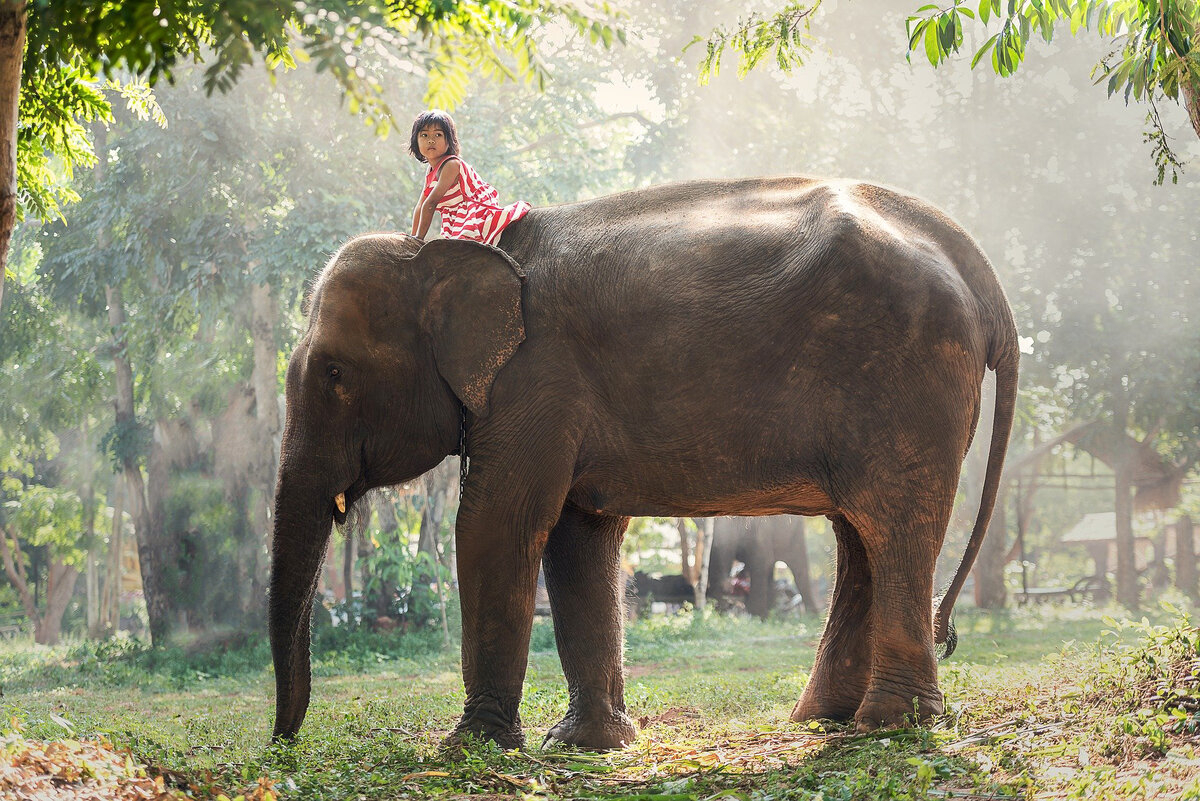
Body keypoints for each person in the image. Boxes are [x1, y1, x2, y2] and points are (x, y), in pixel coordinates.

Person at [409, 109, 530, 245]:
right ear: (416, 141)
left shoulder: (451, 165)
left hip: (475, 212)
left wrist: (418, 238)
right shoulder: (430, 170)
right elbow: (420, 205)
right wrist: (412, 237)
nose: (431, 140)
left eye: (438, 134)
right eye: (424, 135)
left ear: (449, 140)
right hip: (457, 217)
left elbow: (430, 203)